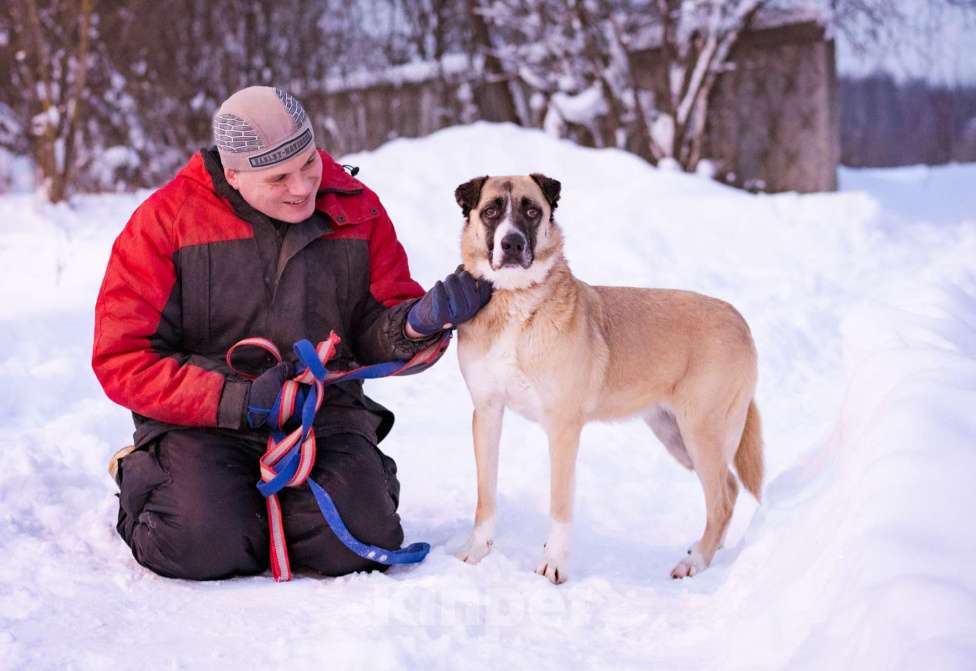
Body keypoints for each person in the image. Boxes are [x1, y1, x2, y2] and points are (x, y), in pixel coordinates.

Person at [92, 86, 491, 580]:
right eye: (278, 177)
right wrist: (239, 399)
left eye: (308, 163)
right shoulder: (164, 222)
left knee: (360, 544)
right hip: (202, 422)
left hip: (321, 413)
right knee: (199, 542)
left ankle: (295, 503)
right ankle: (147, 476)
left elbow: (375, 325)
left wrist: (415, 323)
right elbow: (123, 358)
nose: (301, 187)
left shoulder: (356, 209)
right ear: (233, 174)